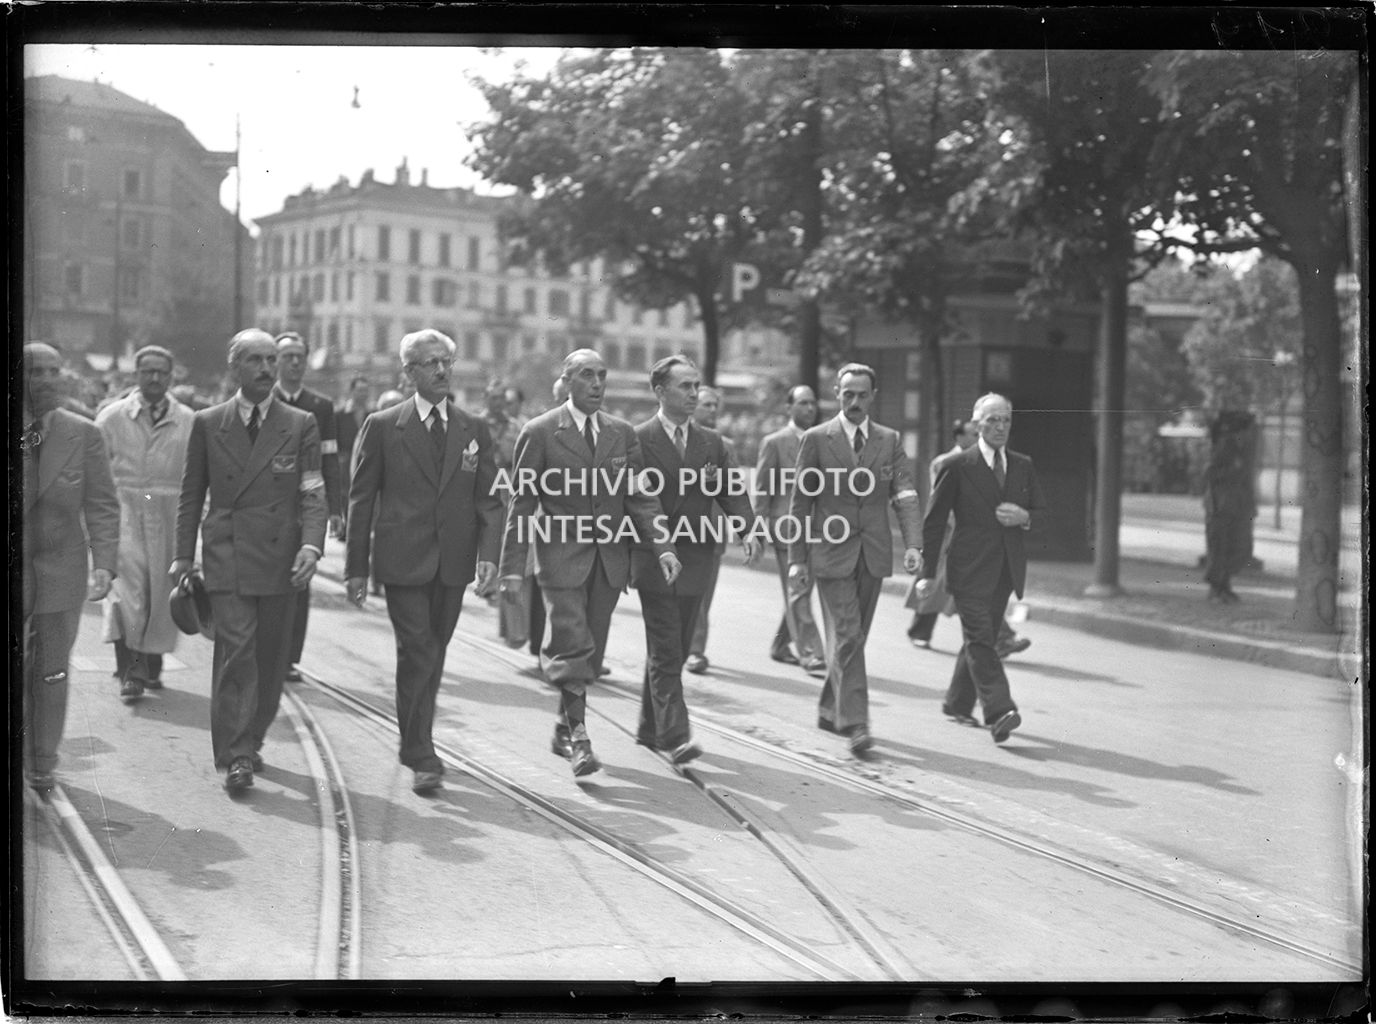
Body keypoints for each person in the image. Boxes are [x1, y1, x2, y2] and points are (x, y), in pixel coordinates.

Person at [498, 348, 681, 778]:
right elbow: (521, 504)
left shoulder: (621, 433)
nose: (597, 383)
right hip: (560, 559)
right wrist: (510, 567)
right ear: (567, 381)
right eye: (587, 375)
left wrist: (665, 546)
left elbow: (641, 497)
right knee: (572, 644)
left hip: (608, 563)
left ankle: (563, 726)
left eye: (602, 375)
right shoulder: (540, 432)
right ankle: (580, 738)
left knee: (590, 654)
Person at [344, 329, 504, 794]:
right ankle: (420, 752)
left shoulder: (473, 429)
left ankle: (418, 740)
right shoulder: (382, 425)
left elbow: (490, 501)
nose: (440, 371)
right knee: (418, 650)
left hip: (452, 564)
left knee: (433, 654)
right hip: (402, 561)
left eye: (446, 363)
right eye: (429, 363)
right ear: (409, 372)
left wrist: (488, 558)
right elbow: (361, 500)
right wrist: (357, 567)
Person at [171, 329, 327, 792]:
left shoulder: (300, 424)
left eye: (271, 360)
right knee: (237, 650)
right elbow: (190, 494)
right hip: (228, 554)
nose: (265, 368)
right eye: (255, 360)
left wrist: (312, 545)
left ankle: (252, 738)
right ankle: (236, 753)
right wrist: (182, 556)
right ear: (233, 367)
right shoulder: (207, 422)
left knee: (271, 657)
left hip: (282, 559)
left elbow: (314, 493)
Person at [789, 363, 922, 755]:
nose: (854, 402)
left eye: (862, 395)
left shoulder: (888, 440)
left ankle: (832, 709)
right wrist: (798, 559)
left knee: (853, 638)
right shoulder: (816, 439)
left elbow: (905, 495)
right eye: (847, 394)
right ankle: (858, 723)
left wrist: (914, 545)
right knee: (847, 635)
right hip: (830, 554)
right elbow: (800, 504)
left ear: (873, 396)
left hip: (873, 554)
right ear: (836, 393)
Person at [632, 356, 757, 763]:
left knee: (677, 647)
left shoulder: (711, 443)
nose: (692, 393)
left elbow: (731, 492)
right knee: (667, 647)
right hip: (655, 558)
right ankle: (675, 734)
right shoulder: (638, 440)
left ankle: (650, 728)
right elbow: (642, 502)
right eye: (684, 386)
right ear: (660, 391)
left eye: (695, 385)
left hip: (697, 559)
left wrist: (748, 528)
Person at [914, 393, 1045, 745]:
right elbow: (934, 521)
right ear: (976, 424)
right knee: (980, 638)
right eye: (992, 421)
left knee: (982, 636)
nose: (1000, 427)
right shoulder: (957, 466)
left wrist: (1025, 516)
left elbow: (1042, 512)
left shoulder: (1022, 465)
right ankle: (1000, 710)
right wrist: (926, 573)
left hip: (1005, 569)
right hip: (968, 568)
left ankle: (957, 702)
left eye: (1005, 420)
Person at [21, 343, 119, 791]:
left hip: (61, 571)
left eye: (53, 370)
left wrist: (105, 563)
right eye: (34, 370)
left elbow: (101, 503)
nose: (44, 378)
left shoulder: (83, 433)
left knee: (51, 669)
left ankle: (42, 758)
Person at [95, 344, 195, 701]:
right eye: (146, 371)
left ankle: (151, 667)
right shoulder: (112, 417)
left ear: (171, 376)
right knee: (127, 594)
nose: (154, 378)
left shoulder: (189, 420)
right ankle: (130, 672)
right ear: (135, 375)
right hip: (125, 511)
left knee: (160, 594)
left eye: (161, 372)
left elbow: (199, 475)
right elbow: (93, 471)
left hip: (170, 512)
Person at [274, 332, 344, 682]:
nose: (296, 363)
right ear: (276, 361)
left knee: (301, 578)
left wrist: (335, 506)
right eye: (288, 356)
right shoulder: (263, 399)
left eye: (300, 356)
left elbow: (330, 456)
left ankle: (288, 658)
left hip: (306, 504)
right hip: (269, 501)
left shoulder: (320, 406)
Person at [752, 385, 826, 676]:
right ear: (789, 408)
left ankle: (781, 645)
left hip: (819, 529)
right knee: (798, 589)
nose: (810, 408)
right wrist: (758, 531)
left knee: (801, 591)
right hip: (785, 527)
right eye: (803, 403)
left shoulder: (823, 440)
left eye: (813, 403)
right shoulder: (774, 443)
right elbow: (762, 491)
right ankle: (811, 652)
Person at [684, 385, 728, 674]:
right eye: (706, 405)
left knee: (704, 597)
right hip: (683, 531)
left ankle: (693, 648)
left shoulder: (725, 446)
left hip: (712, 531)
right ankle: (690, 648)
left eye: (715, 405)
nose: (712, 410)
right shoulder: (679, 441)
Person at [1203, 410, 1257, 604]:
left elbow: (1247, 481)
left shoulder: (1242, 448)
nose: (1252, 433)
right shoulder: (1225, 445)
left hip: (1236, 506)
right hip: (1219, 506)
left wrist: (1251, 506)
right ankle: (1216, 589)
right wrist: (1231, 469)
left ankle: (1224, 586)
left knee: (1237, 548)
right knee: (1219, 548)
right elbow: (1209, 473)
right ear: (1239, 430)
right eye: (1249, 429)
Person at [335, 374, 372, 499]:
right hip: (345, 466)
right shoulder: (339, 415)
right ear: (352, 391)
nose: (363, 394)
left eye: (366, 390)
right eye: (360, 390)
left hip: (368, 465)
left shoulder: (373, 414)